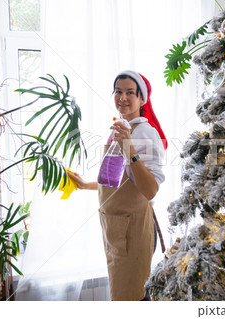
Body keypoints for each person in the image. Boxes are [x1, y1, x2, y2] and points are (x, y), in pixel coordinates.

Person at [67, 70, 167, 301]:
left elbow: (150, 189)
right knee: (122, 293)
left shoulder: (144, 132)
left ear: (142, 99)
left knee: (134, 297)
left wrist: (129, 148)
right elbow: (117, 181)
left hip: (133, 231)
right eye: (118, 91)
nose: (123, 97)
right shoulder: (119, 129)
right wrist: (85, 185)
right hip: (115, 228)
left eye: (130, 92)